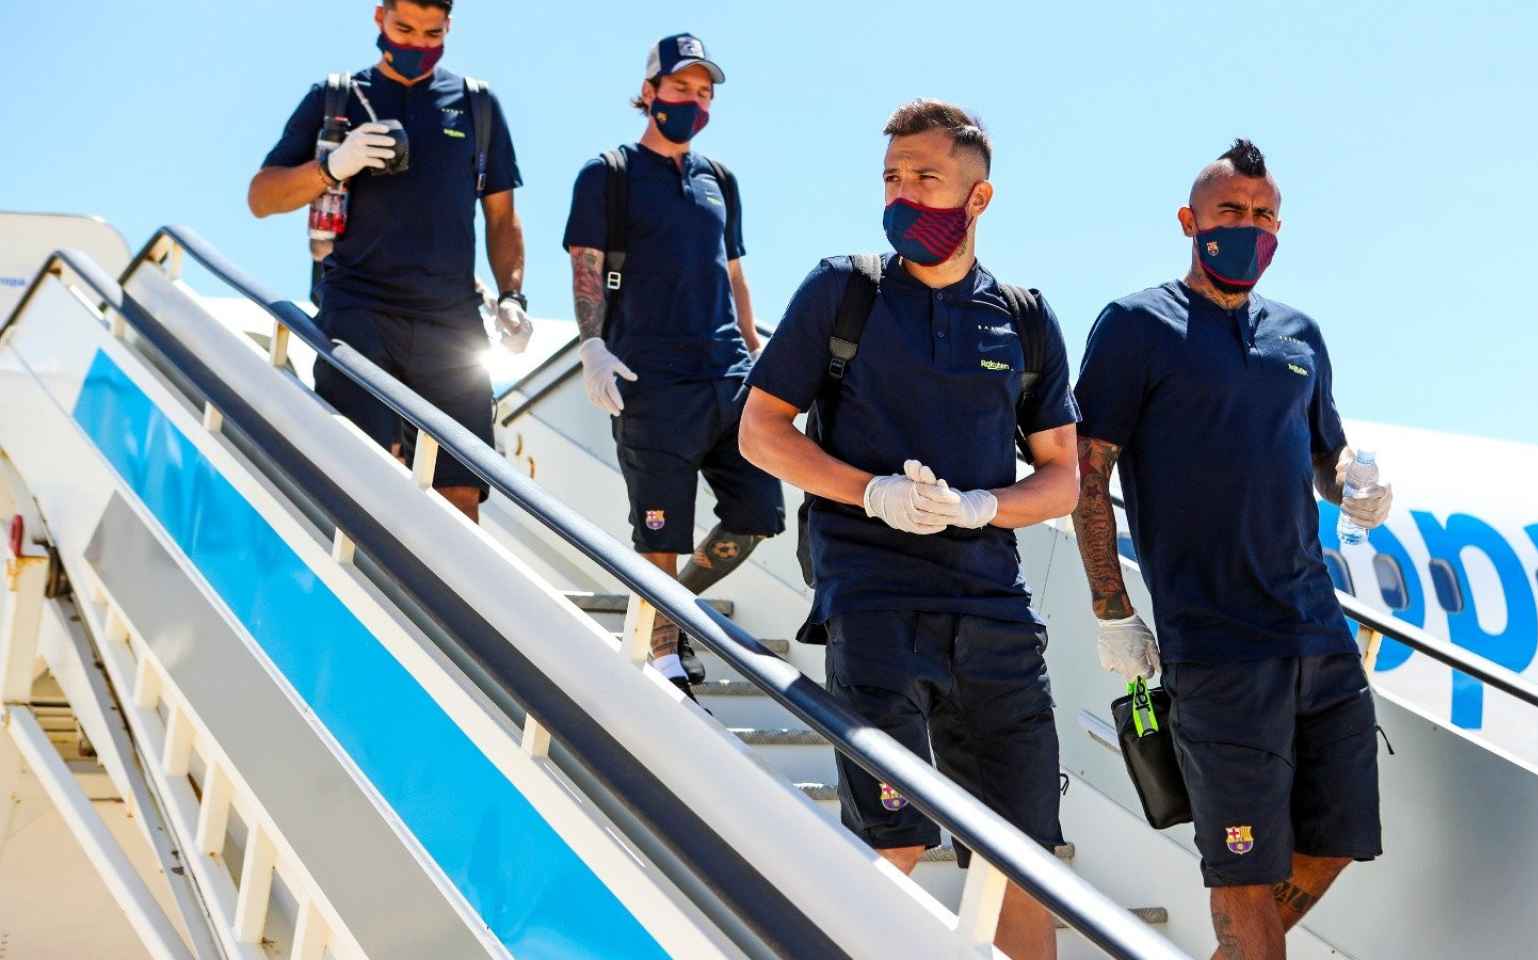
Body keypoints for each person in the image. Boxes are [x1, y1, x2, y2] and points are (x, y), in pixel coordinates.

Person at [741, 99, 1080, 960]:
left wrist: (981, 506)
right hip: (874, 596)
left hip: (994, 611)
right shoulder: (842, 291)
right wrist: (873, 493)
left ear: (978, 198)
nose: (902, 195)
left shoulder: (1025, 317)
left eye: (925, 178)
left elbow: (1063, 480)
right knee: (890, 839)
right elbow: (762, 429)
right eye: (892, 178)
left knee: (1017, 863)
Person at [1070, 140, 1395, 959]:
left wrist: (1354, 479)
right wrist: (1113, 610)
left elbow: (1327, 456)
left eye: (1261, 216)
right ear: (1190, 222)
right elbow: (1086, 475)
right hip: (1215, 649)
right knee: (1243, 880)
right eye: (1228, 214)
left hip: (1317, 637)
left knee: (1339, 839)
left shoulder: (1300, 336)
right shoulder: (1136, 326)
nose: (1245, 229)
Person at [248, 0, 528, 523]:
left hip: (452, 319)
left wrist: (511, 295)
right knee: (362, 468)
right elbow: (262, 197)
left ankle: (451, 602)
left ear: (449, 27)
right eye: (404, 28)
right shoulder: (335, 97)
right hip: (358, 306)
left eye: (432, 33)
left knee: (462, 485)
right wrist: (333, 165)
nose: (417, 44)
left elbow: (502, 217)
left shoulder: (476, 105)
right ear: (379, 18)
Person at [563, 33, 782, 697]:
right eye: (683, 88)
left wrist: (753, 350)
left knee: (756, 516)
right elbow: (587, 266)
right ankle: (663, 653)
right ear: (652, 91)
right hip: (649, 379)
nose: (695, 101)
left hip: (727, 377)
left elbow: (735, 274)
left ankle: (670, 607)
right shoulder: (609, 173)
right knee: (660, 527)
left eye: (705, 92)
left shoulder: (720, 180)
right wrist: (592, 345)